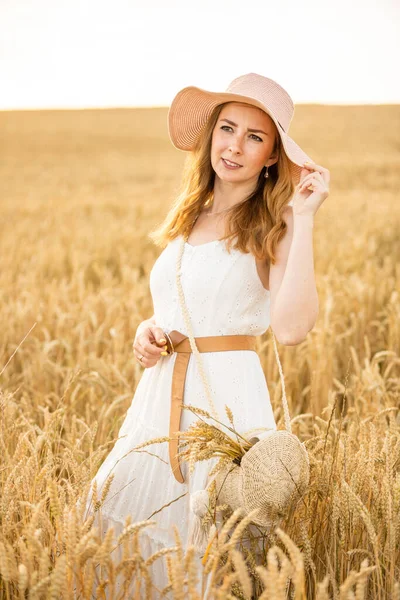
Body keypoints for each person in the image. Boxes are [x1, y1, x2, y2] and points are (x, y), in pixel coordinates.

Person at [81, 72, 329, 598]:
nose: (235, 146)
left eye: (255, 137)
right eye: (227, 128)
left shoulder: (274, 226)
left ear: (271, 156)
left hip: (224, 406)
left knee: (209, 548)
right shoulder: (188, 214)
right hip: (157, 402)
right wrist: (148, 334)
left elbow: (290, 329)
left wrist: (304, 220)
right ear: (211, 134)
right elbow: (178, 307)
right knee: (122, 529)